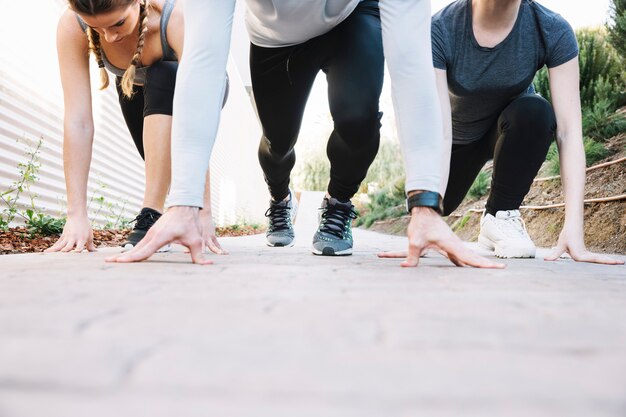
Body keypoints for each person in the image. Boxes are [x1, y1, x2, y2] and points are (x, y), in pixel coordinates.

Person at [107, 0, 503, 269]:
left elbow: (412, 61)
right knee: (278, 141)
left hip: (352, 18)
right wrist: (183, 202)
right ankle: (280, 196)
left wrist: (425, 203)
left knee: (358, 118)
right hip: (274, 40)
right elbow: (203, 56)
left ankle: (337, 205)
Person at [428, 0, 623, 264]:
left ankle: (500, 216)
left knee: (536, 111)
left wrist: (574, 229)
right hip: (457, 139)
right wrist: (428, 214)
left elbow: (569, 132)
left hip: (514, 127)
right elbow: (437, 130)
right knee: (440, 206)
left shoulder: (551, 29)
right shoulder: (440, 28)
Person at [46, 0, 226, 255]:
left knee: (164, 73)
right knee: (163, 165)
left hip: (196, 92)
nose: (110, 36)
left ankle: (150, 214)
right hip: (134, 88)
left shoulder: (174, 19)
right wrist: (76, 214)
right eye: (96, 28)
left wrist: (202, 210)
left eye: (118, 23)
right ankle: (166, 216)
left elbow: (196, 110)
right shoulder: (72, 23)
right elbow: (78, 120)